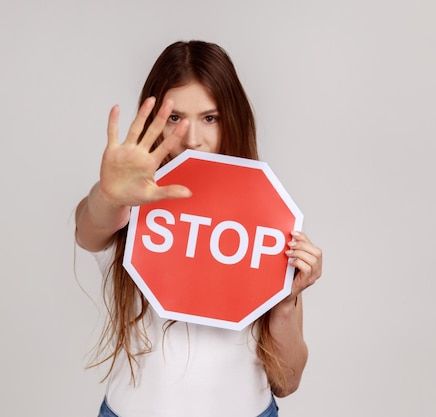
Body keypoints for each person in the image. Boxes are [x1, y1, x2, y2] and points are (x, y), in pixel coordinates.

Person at [75, 40, 323, 417]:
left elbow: (286, 383)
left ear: (233, 119)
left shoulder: (267, 219)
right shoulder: (132, 205)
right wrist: (109, 196)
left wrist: (286, 301)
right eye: (176, 118)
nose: (192, 139)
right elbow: (88, 229)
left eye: (210, 117)